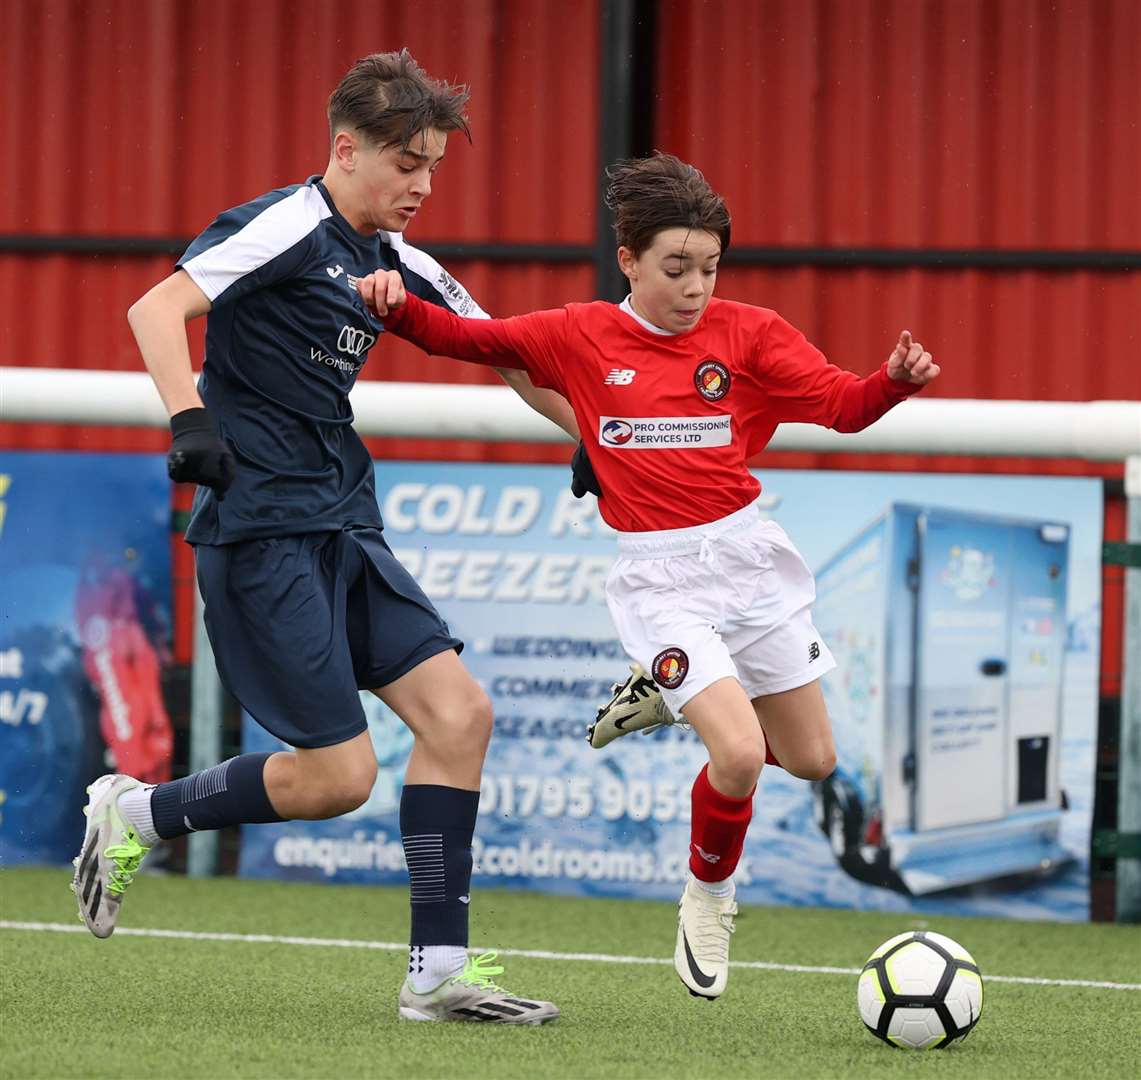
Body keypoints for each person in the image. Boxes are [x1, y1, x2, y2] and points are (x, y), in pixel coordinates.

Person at [356, 152, 940, 1000]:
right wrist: (392, 305)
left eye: (708, 266)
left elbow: (841, 406)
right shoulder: (580, 333)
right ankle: (708, 896)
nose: (695, 285)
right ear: (627, 259)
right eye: (675, 266)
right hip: (660, 581)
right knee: (737, 754)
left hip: (749, 559)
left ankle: (661, 695)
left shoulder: (751, 334)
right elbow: (471, 339)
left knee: (810, 760)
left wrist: (892, 383)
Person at [72, 49, 562, 1025]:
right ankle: (135, 813)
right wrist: (189, 420)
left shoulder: (402, 261)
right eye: (407, 163)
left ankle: (437, 975)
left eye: (432, 166)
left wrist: (606, 442)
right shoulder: (286, 224)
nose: (423, 186)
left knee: (459, 717)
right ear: (347, 151)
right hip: (261, 531)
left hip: (343, 520)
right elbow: (156, 308)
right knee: (341, 778)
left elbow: (512, 357)